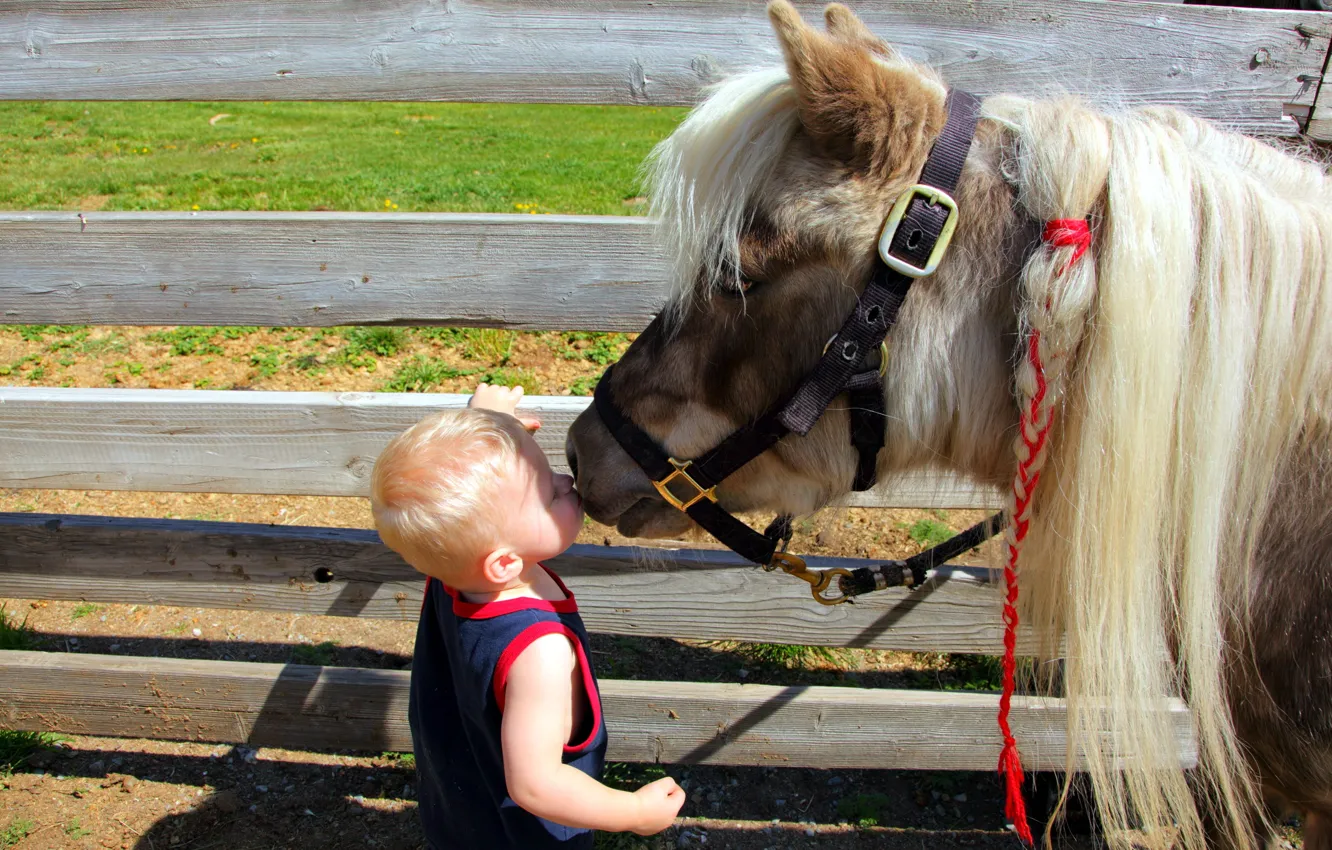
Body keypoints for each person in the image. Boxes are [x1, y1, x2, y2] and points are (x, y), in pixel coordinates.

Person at [370, 382, 686, 848]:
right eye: (548, 494)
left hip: (460, 799)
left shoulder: (454, 569)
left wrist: (491, 423)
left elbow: (469, 506)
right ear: (503, 563)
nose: (566, 482)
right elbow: (536, 784)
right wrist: (634, 812)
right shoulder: (539, 653)